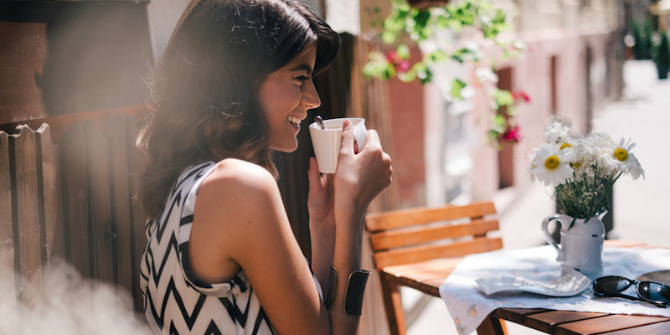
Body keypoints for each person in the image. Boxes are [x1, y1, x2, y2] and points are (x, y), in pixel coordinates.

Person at [136, 0, 393, 334]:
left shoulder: (183, 186)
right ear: (237, 78)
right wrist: (354, 209)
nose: (313, 98)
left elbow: (317, 320)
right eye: (300, 77)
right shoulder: (239, 186)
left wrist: (327, 221)